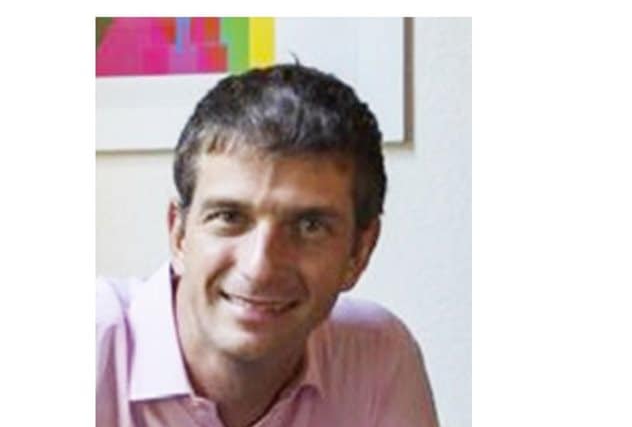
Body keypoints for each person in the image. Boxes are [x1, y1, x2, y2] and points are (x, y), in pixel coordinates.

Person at [96, 64, 439, 427]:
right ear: (178, 233)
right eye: (229, 217)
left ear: (359, 252)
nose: (260, 268)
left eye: (309, 227)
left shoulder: (378, 355)